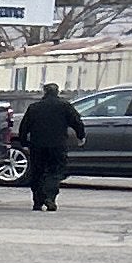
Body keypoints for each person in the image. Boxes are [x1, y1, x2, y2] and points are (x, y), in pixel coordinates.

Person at [19, 82, 82, 213]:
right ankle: (50, 198)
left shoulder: (34, 107)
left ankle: (37, 201)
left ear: (44, 92)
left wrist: (24, 142)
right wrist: (81, 136)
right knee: (55, 171)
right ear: (57, 92)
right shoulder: (64, 106)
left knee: (38, 172)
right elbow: (76, 121)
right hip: (57, 145)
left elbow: (24, 127)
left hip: (38, 145)